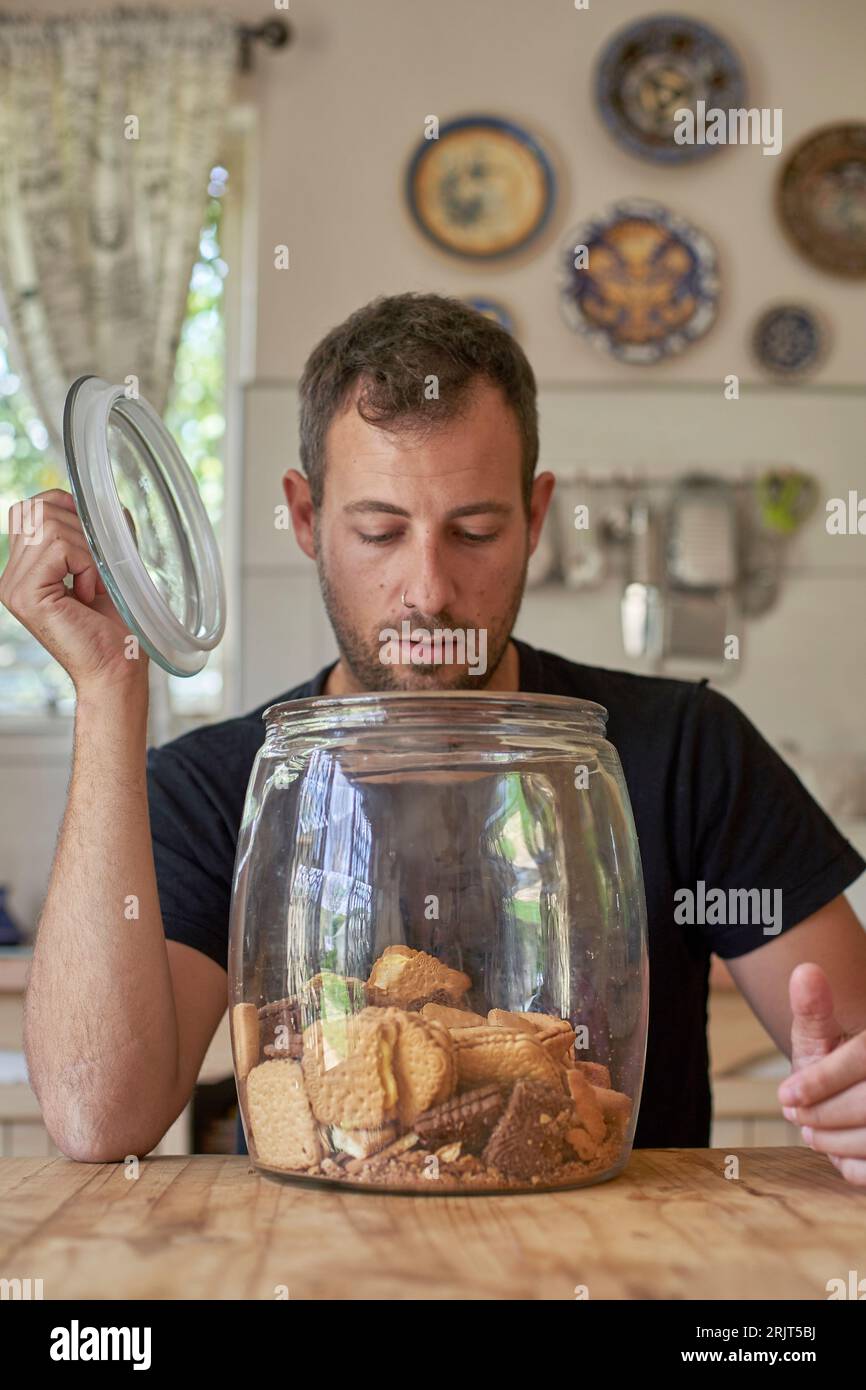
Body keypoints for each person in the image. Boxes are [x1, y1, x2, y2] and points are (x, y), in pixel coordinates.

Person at [3, 293, 866, 1181]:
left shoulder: (684, 749)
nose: (428, 590)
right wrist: (108, 689)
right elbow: (95, 1113)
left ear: (536, 518)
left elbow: (850, 1043)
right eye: (379, 531)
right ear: (305, 519)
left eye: (476, 531)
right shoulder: (219, 786)